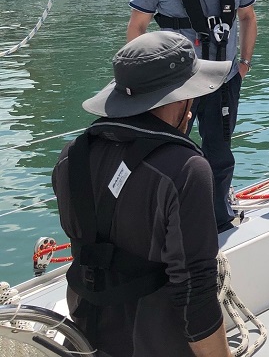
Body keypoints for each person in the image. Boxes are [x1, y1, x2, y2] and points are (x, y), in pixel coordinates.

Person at [51, 32, 233, 357]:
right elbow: (197, 298)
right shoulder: (187, 169)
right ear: (180, 98)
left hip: (83, 341)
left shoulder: (70, 156)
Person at [127, 0, 257, 232]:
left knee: (219, 151)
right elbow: (137, 27)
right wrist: (141, 79)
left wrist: (243, 63)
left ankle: (217, 218)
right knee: (165, 150)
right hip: (174, 84)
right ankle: (163, 220)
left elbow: (247, 17)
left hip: (223, 79)